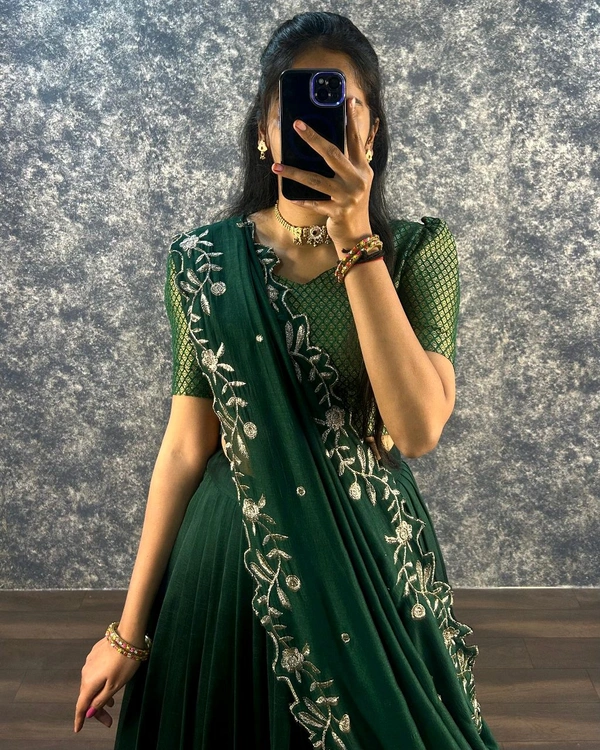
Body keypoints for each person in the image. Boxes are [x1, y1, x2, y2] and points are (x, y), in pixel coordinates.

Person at [74, 11, 501, 750]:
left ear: (371, 132)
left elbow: (417, 429)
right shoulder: (205, 262)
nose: (313, 126)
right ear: (265, 135)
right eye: (292, 108)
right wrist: (127, 632)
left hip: (366, 570)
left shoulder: (416, 252)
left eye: (341, 104)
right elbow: (185, 447)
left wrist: (355, 239)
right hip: (229, 570)